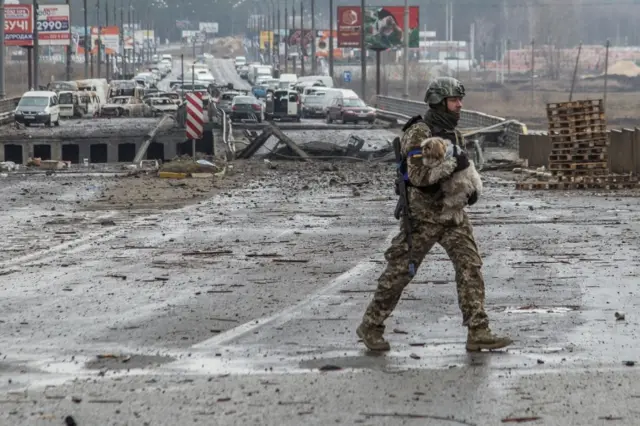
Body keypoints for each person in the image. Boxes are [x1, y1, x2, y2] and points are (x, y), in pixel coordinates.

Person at [356, 77, 513, 352]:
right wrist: (453, 166)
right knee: (399, 272)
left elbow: (463, 170)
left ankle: (478, 330)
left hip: (453, 215)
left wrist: (470, 189)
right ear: (440, 103)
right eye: (454, 101)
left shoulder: (454, 134)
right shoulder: (418, 133)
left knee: (470, 267)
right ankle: (371, 325)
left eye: (459, 100)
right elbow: (418, 177)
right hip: (423, 217)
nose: (460, 106)